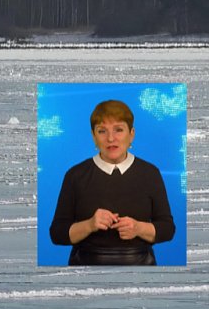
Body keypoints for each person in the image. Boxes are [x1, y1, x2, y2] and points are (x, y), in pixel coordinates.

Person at [49, 100, 175, 265]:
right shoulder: (75, 175)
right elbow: (57, 234)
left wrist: (138, 228)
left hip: (139, 267)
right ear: (94, 136)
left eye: (118, 130)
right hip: (85, 269)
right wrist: (89, 225)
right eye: (102, 131)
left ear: (132, 134)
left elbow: (167, 229)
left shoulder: (150, 173)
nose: (110, 138)